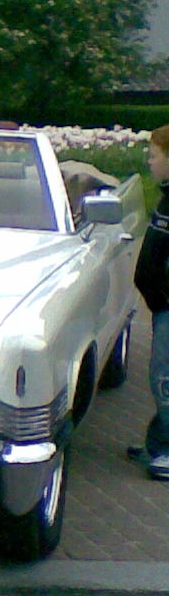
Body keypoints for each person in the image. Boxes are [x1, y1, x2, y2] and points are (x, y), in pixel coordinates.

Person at [131, 124, 169, 480]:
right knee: (162, 374)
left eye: (154, 155)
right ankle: (158, 442)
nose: (149, 161)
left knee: (166, 378)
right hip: (162, 304)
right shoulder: (167, 198)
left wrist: (160, 297)